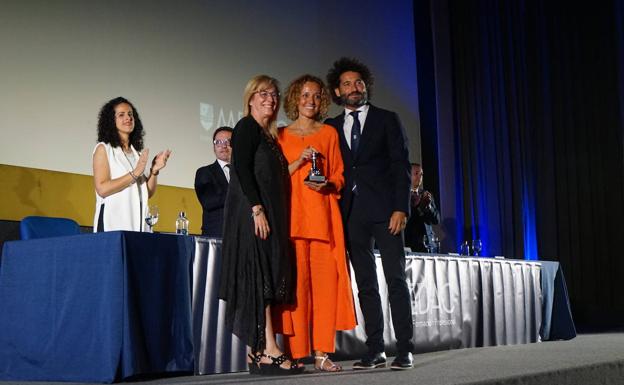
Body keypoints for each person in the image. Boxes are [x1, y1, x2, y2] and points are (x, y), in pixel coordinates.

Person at [325, 58, 414, 370]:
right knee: (365, 284)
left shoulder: (387, 119)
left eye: (359, 82)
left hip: (387, 213)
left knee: (396, 280)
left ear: (366, 87)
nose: (354, 88)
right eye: (347, 84)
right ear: (338, 90)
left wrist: (401, 207)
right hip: (349, 216)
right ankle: (375, 348)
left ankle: (405, 348)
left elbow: (400, 166)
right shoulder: (331, 127)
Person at [218, 75, 302, 375]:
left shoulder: (268, 136)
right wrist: (256, 209)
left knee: (264, 278)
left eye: (274, 94)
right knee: (260, 278)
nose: (270, 98)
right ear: (250, 98)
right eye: (263, 93)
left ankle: (257, 352)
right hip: (252, 216)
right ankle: (269, 348)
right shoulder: (246, 127)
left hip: (267, 216)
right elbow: (240, 167)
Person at [274, 75, 356, 372]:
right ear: (295, 98)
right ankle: (296, 354)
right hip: (292, 222)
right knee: (296, 293)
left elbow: (340, 175)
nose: (311, 101)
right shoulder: (280, 135)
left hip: (323, 221)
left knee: (324, 291)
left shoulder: (329, 134)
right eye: (306, 95)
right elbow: (274, 178)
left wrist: (329, 184)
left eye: (317, 96)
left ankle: (322, 353)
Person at [92, 97, 171, 232]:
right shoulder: (104, 149)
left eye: (130, 114)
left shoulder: (136, 153)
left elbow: (147, 193)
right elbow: (102, 189)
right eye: (121, 115)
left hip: (137, 222)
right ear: (111, 121)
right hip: (112, 222)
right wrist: (135, 173)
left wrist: (154, 171)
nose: (128, 118)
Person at [194, 126, 233, 237]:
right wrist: (241, 193)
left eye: (228, 141)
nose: (223, 146)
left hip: (244, 237)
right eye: (218, 142)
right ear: (214, 147)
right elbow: (209, 201)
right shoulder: (205, 172)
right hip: (217, 236)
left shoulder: (245, 173)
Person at [404, 163, 440, 252]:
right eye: (416, 173)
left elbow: (436, 220)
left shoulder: (427, 195)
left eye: (421, 174)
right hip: (411, 244)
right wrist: (420, 207)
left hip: (429, 244)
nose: (419, 177)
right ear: (408, 174)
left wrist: (429, 206)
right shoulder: (403, 195)